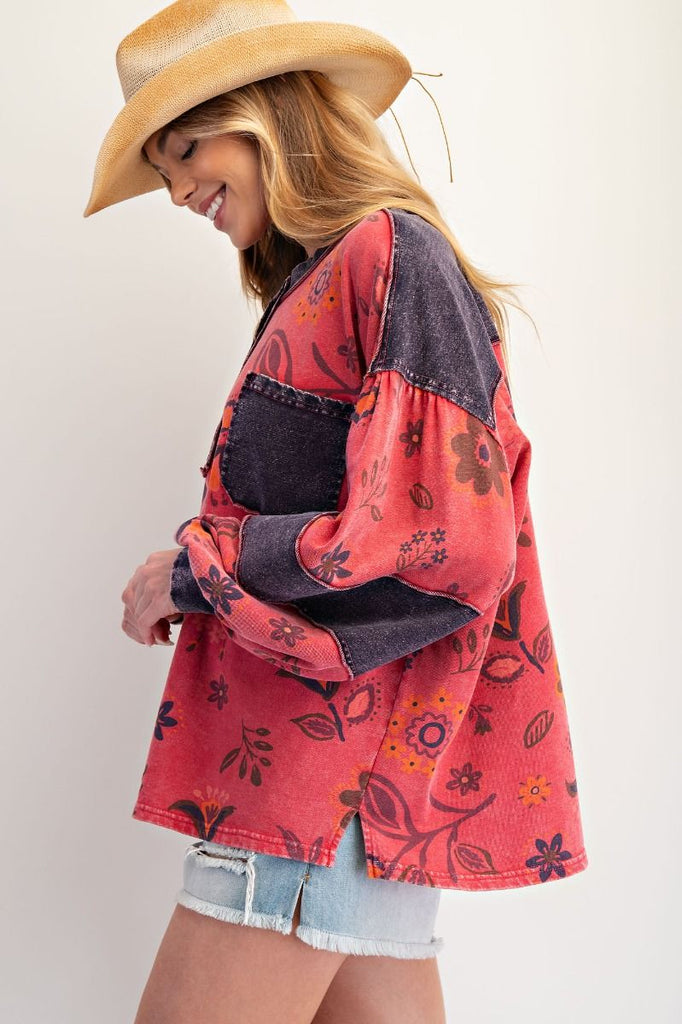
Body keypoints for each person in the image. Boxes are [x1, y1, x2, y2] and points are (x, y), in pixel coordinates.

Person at [84, 2, 589, 1021]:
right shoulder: (326, 279)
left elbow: (437, 544)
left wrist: (196, 571)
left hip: (320, 783)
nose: (177, 192)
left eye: (186, 151)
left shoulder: (388, 255)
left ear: (265, 116)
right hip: (337, 793)